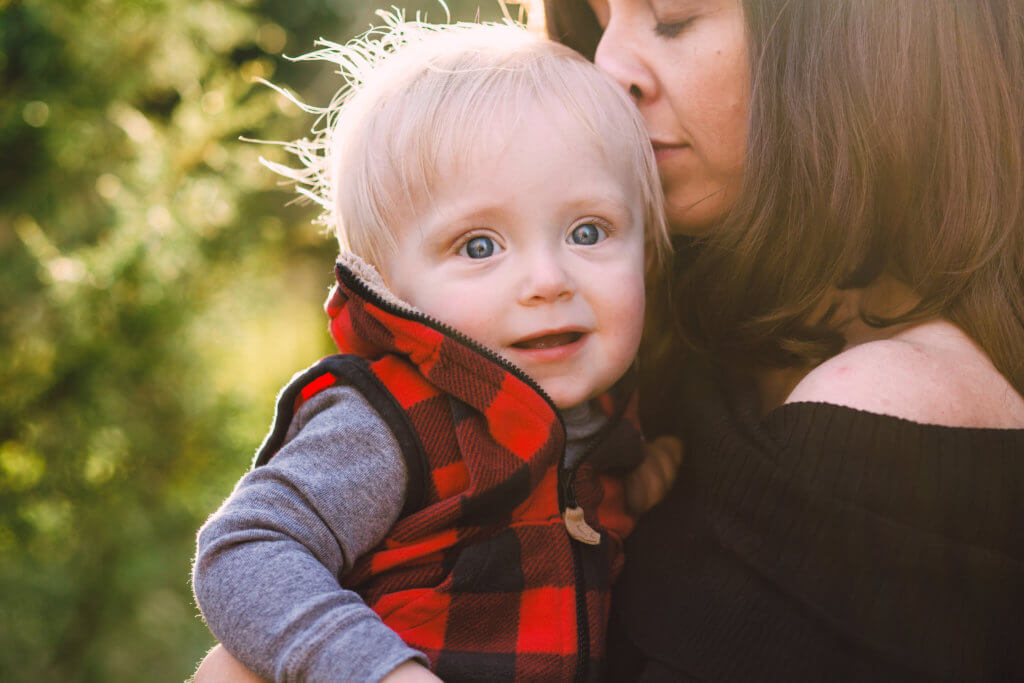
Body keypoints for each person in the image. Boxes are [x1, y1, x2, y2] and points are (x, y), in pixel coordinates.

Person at [543, 0, 1024, 679]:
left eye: (672, 19)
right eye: (598, 21)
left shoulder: (885, 408)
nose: (604, 70)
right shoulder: (680, 340)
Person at [191, 17, 682, 683]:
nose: (547, 280)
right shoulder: (393, 426)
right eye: (479, 245)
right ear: (388, 288)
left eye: (589, 231)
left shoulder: (609, 416)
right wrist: (380, 671)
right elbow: (245, 552)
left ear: (647, 250)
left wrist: (644, 481)